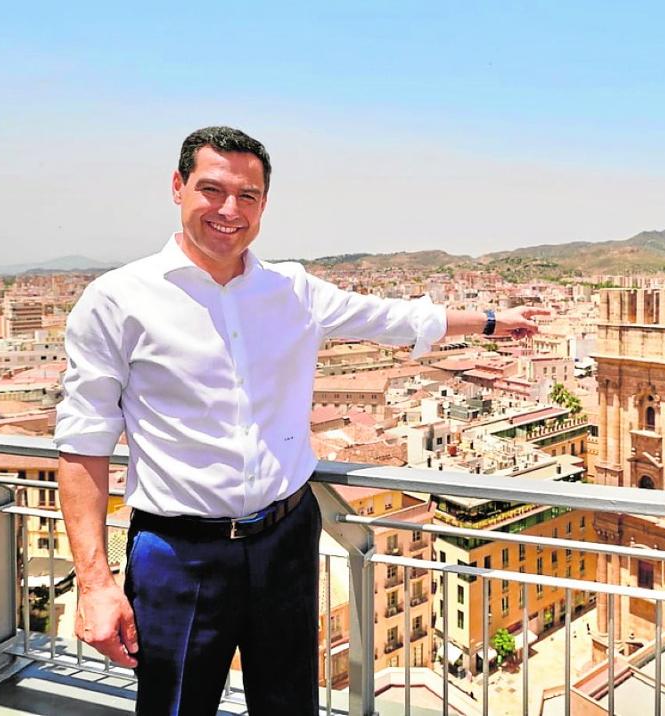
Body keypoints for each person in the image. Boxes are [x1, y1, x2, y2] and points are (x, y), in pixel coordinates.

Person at [54, 126, 547, 715]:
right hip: (179, 552)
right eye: (212, 190)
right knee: (175, 706)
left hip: (286, 538)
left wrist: (494, 320)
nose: (229, 210)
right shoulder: (116, 300)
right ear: (177, 186)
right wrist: (95, 583)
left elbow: (392, 318)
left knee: (290, 705)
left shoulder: (292, 289)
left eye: (248, 196)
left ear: (264, 203)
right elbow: (81, 446)